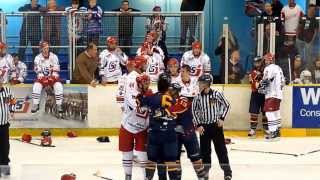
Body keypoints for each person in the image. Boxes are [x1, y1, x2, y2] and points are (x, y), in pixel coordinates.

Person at [136, 73, 179, 180]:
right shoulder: (173, 100)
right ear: (168, 86)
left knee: (151, 161)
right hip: (169, 135)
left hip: (154, 135)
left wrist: (142, 92)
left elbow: (139, 105)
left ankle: (148, 178)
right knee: (171, 163)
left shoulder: (151, 98)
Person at [192, 74, 232, 180]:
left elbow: (227, 105)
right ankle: (205, 172)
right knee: (205, 151)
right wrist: (198, 125)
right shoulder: (198, 97)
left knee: (221, 150)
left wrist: (222, 118)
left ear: (206, 84)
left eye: (201, 83)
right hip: (204, 128)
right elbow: (194, 111)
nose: (199, 85)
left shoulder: (216, 94)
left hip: (216, 127)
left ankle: (227, 172)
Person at [119, 56, 148, 180]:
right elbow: (132, 100)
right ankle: (128, 175)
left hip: (140, 123)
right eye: (145, 64)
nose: (147, 66)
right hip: (129, 122)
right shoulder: (132, 78)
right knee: (127, 152)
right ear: (140, 65)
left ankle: (146, 177)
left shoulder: (140, 76)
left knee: (142, 153)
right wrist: (143, 104)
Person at [168, 82, 206, 180]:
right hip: (175, 135)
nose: (170, 91)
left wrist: (166, 110)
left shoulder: (183, 99)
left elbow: (179, 108)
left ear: (177, 91)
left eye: (172, 90)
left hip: (188, 133)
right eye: (169, 89)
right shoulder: (168, 101)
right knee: (175, 159)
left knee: (196, 158)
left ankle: (202, 178)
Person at [31, 41, 64, 113]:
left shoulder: (54, 56)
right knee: (36, 86)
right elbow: (37, 71)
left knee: (59, 86)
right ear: (41, 49)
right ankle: (36, 104)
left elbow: (57, 68)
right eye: (44, 48)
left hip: (53, 78)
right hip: (42, 78)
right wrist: (44, 79)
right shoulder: (37, 58)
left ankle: (59, 105)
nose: (46, 50)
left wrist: (52, 77)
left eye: (47, 48)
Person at [258, 53, 285, 141]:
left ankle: (273, 133)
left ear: (270, 60)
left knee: (269, 113)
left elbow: (266, 80)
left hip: (272, 94)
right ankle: (277, 131)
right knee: (276, 112)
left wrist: (260, 87)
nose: (265, 61)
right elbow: (284, 82)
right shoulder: (279, 68)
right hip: (279, 94)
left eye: (266, 60)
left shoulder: (269, 68)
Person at [248, 56, 268, 138]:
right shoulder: (252, 72)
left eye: (258, 62)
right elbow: (252, 83)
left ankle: (266, 128)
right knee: (254, 112)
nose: (257, 64)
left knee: (265, 112)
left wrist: (262, 76)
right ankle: (253, 129)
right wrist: (258, 77)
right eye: (255, 62)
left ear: (261, 62)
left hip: (264, 94)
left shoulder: (266, 70)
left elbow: (267, 81)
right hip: (255, 94)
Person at [0, 78, 16, 178]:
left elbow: (12, 102)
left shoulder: (7, 91)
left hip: (4, 125)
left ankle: (5, 168)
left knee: (5, 147)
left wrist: (12, 111)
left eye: (0, 82)